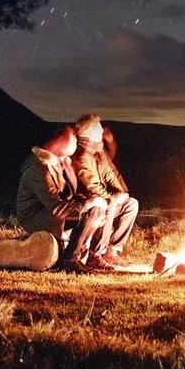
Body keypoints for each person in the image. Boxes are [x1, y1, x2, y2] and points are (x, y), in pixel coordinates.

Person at [12, 126, 107, 273]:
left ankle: (80, 256)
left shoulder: (58, 163)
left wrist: (90, 201)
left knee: (95, 209)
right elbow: (55, 206)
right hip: (36, 216)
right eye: (74, 140)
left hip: (49, 211)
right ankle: (70, 260)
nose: (77, 143)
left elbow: (67, 195)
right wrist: (87, 204)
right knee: (89, 210)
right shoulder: (38, 168)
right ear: (64, 143)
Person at [71, 115, 139, 270]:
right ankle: (96, 254)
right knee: (109, 203)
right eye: (99, 130)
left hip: (102, 199)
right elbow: (92, 188)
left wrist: (121, 192)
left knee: (131, 204)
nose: (102, 132)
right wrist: (113, 197)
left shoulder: (96, 153)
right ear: (92, 134)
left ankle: (112, 251)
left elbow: (110, 173)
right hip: (90, 204)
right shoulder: (81, 157)